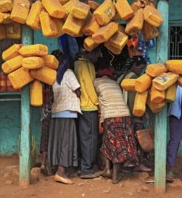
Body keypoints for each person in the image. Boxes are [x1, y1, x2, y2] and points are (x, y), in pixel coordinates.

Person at [94, 66, 138, 184]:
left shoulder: (96, 82)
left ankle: (112, 173)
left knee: (109, 143)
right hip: (123, 114)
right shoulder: (114, 83)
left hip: (110, 116)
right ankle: (111, 172)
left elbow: (96, 99)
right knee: (120, 144)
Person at [47, 56, 81, 185]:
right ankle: (61, 172)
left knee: (58, 142)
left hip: (56, 111)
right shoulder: (68, 73)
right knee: (67, 142)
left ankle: (58, 168)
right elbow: (77, 90)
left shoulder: (52, 74)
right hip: (67, 111)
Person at [118, 55, 152, 173]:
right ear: (134, 66)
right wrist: (138, 113)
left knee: (126, 139)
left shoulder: (121, 77)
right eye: (140, 68)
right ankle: (138, 163)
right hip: (132, 114)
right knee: (138, 139)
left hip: (121, 112)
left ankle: (126, 164)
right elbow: (133, 99)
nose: (141, 71)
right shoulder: (133, 78)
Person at [74, 48, 102, 179]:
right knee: (90, 138)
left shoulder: (76, 64)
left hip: (80, 106)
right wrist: (98, 103)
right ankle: (87, 168)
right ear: (90, 52)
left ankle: (82, 165)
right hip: (89, 106)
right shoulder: (87, 65)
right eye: (97, 53)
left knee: (83, 138)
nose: (98, 56)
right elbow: (90, 87)